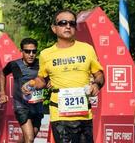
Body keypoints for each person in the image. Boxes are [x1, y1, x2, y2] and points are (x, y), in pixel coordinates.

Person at [24, 9, 105, 143]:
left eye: (72, 23)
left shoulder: (87, 49)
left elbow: (99, 74)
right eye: (62, 23)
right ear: (54, 28)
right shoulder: (46, 54)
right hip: (60, 115)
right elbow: (42, 80)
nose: (68, 26)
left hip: (84, 115)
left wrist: (97, 84)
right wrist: (31, 84)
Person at [0, 38, 44, 143]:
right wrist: (2, 93)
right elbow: (2, 73)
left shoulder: (41, 64)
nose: (31, 54)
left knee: (30, 135)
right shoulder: (14, 65)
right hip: (21, 105)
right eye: (27, 51)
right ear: (22, 52)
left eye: (34, 51)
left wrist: (50, 82)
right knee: (30, 138)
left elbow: (47, 77)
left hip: (37, 105)